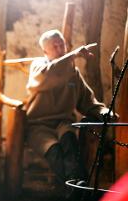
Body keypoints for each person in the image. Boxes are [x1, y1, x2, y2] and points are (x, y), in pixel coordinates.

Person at [24, 29, 114, 199]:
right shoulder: (39, 66)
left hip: (63, 124)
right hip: (39, 127)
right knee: (55, 150)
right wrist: (73, 55)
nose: (59, 48)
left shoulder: (73, 73)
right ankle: (81, 191)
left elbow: (88, 102)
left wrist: (104, 111)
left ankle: (77, 190)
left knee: (69, 143)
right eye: (54, 46)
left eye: (61, 44)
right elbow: (50, 74)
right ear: (45, 51)